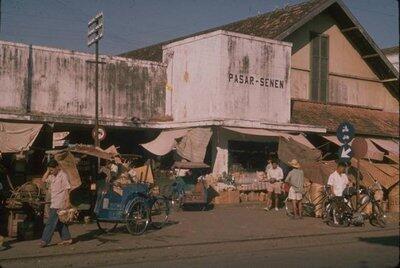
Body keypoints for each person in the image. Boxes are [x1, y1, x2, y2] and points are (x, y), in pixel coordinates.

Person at [39, 159, 72, 247]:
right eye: (50, 170)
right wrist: (47, 171)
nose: (51, 171)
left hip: (60, 202)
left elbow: (67, 189)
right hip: (54, 201)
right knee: (60, 222)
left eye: (52, 169)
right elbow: (43, 180)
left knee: (50, 222)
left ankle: (45, 240)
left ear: (57, 167)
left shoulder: (63, 175)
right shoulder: (52, 176)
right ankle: (67, 239)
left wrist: (67, 203)